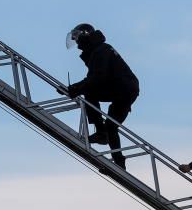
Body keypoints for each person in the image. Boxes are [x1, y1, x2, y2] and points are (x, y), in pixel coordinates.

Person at [58, 23, 139, 169]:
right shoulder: (99, 49)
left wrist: (74, 89)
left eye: (77, 39)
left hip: (122, 89)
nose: (76, 43)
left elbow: (96, 79)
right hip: (126, 89)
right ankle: (119, 164)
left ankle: (101, 133)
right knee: (111, 126)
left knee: (90, 91)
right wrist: (76, 88)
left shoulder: (100, 51)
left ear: (84, 36)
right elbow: (96, 78)